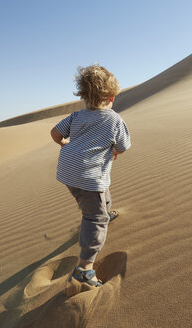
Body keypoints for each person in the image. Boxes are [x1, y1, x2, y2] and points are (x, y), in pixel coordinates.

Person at [50, 64, 131, 289]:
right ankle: (84, 270)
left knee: (98, 201)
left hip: (68, 172)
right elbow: (124, 145)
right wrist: (115, 150)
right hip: (89, 176)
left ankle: (102, 214)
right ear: (111, 97)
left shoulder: (76, 116)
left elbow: (55, 133)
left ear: (83, 96)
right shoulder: (114, 119)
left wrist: (65, 142)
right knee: (94, 218)